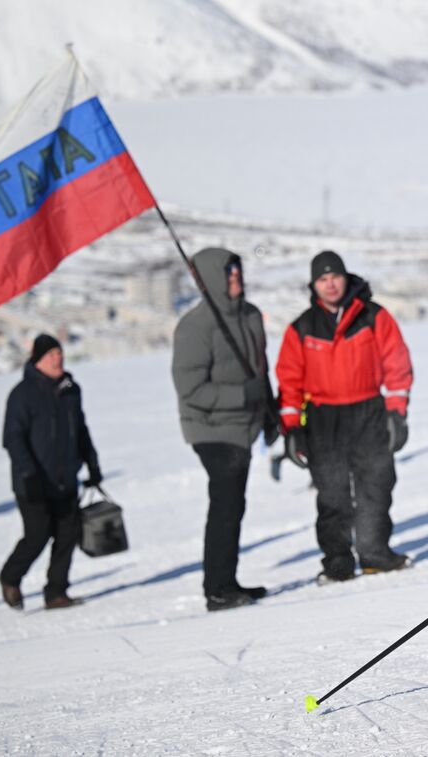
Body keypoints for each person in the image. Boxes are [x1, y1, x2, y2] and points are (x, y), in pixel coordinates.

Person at [276, 251, 414, 584]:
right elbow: (289, 381)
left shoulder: (373, 316)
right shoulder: (302, 328)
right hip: (324, 419)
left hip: (369, 411)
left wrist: (396, 412)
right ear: (314, 285)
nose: (330, 284)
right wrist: (292, 428)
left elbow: (397, 364)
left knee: (376, 486)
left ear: (345, 277)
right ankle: (338, 562)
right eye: (322, 279)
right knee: (332, 494)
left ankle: (374, 553)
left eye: (334, 276)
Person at [171, 248, 277, 612]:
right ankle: (217, 589)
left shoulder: (250, 316)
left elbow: (260, 370)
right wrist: (241, 395)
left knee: (234, 503)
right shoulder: (195, 327)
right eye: (227, 271)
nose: (235, 276)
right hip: (210, 427)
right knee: (226, 503)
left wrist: (269, 411)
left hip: (245, 423)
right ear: (210, 278)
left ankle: (227, 581)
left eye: (237, 269)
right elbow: (191, 390)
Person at [0, 334, 103, 610]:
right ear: (38, 360)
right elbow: (13, 438)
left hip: (65, 477)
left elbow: (80, 430)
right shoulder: (22, 394)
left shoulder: (71, 390)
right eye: (51, 355)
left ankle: (56, 592)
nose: (58, 359)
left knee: (68, 533)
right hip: (33, 481)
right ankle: (10, 577)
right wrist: (28, 474)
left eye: (60, 353)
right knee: (38, 533)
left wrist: (92, 464)